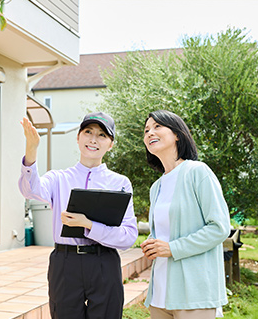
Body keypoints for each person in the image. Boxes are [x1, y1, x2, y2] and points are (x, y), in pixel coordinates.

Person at [18, 112, 138, 319]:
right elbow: (30, 190)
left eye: (102, 135)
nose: (93, 139)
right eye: (88, 132)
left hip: (104, 263)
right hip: (65, 263)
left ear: (111, 144)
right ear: (78, 137)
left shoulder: (120, 183)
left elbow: (128, 237)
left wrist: (90, 225)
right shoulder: (58, 178)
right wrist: (32, 149)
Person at [140, 110, 230, 319]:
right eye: (146, 130)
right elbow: (166, 232)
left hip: (193, 293)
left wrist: (172, 248)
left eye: (157, 126)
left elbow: (219, 227)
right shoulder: (157, 187)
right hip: (160, 294)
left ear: (177, 134)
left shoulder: (198, 172)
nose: (149, 133)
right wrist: (153, 244)